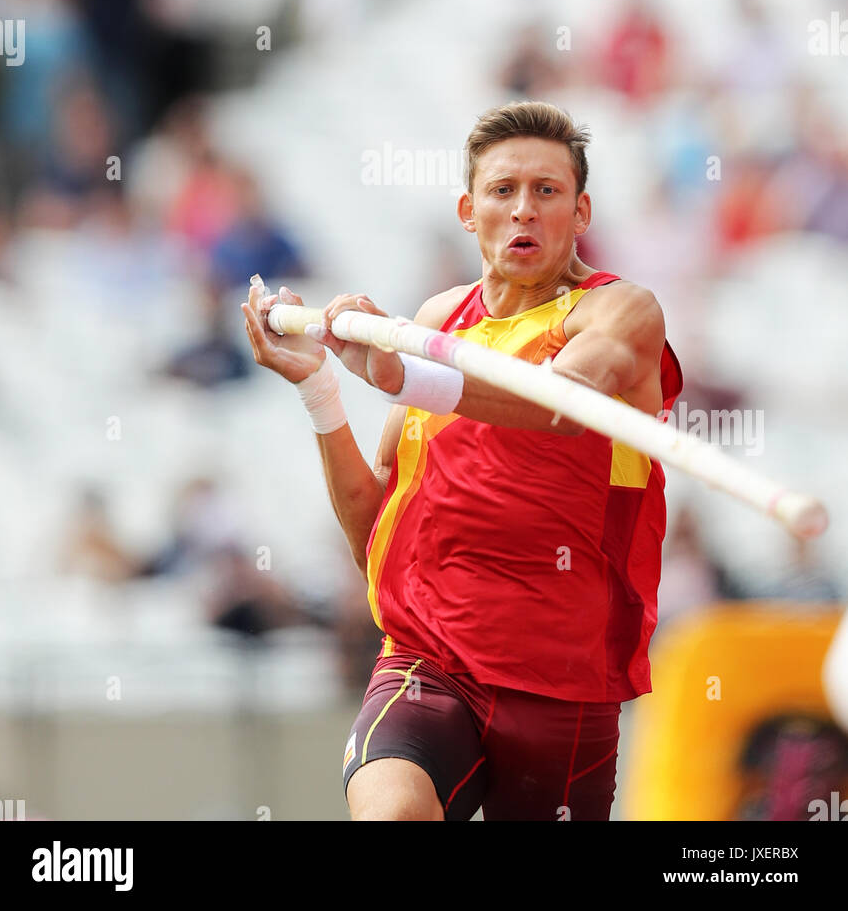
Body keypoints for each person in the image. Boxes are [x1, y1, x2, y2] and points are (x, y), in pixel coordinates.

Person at [241, 100, 682, 821]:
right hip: (427, 663)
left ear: (582, 211)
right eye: (503, 191)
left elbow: (560, 407)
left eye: (547, 191)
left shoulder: (620, 314)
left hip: (563, 685)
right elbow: (372, 533)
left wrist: (397, 376)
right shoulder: (435, 323)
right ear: (467, 210)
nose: (524, 212)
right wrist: (319, 387)